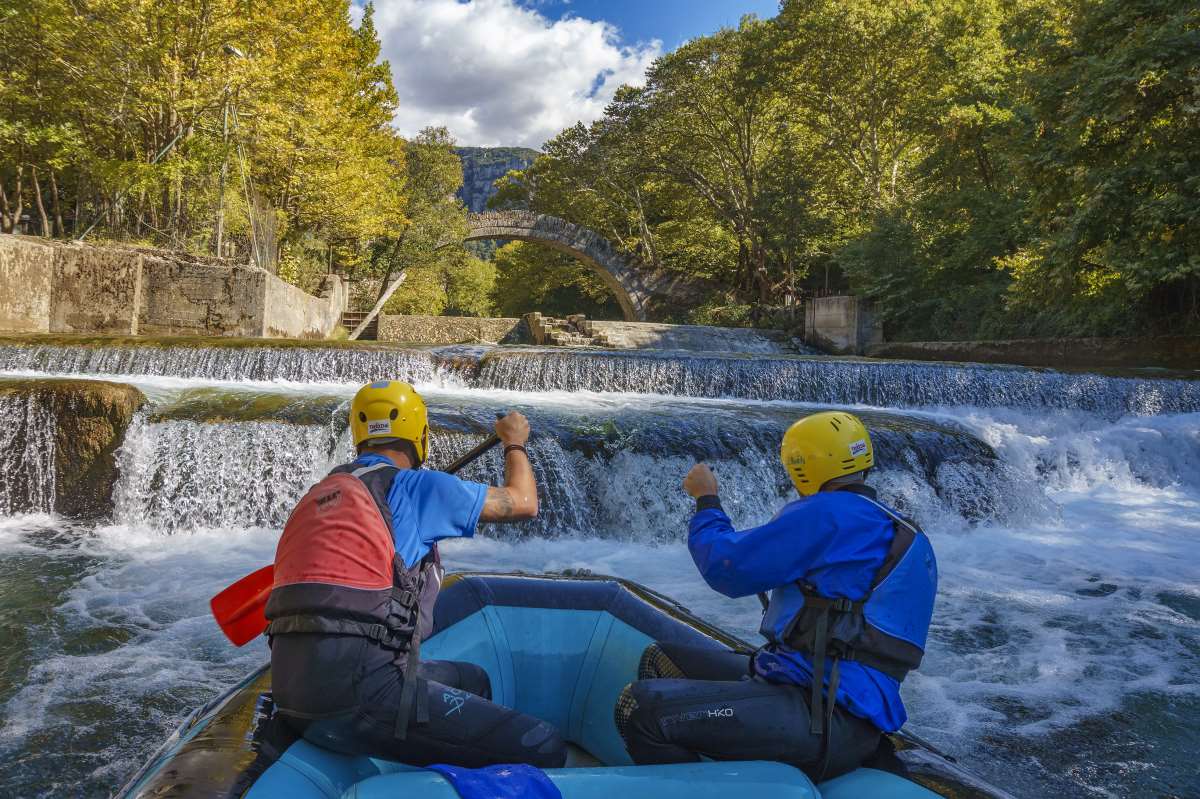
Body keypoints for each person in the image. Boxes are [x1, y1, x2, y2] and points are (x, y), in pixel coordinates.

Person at [615, 411, 938, 782]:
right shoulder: (892, 526)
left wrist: (707, 500)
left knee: (639, 709)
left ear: (803, 467)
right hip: (826, 700)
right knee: (661, 659)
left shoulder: (826, 514)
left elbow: (726, 566)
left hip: (819, 716)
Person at [265, 380, 566, 768]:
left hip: (292, 694)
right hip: (362, 695)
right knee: (544, 745)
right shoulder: (419, 487)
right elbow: (524, 502)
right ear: (420, 435)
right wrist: (514, 441)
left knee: (472, 681)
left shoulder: (321, 494)